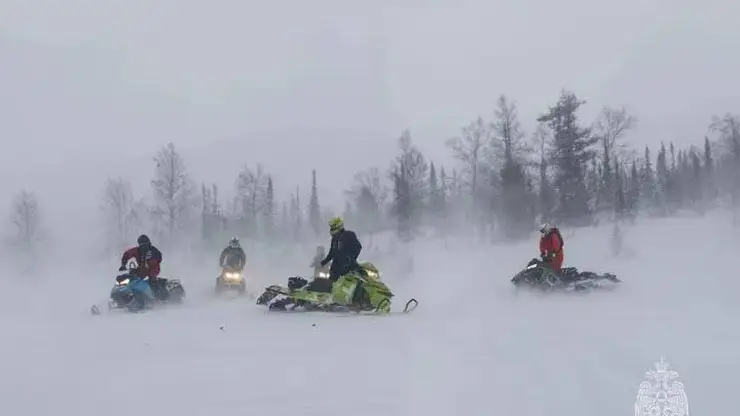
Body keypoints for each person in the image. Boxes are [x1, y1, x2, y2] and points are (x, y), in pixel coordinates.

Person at [119, 234, 166, 299]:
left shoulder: (153, 250)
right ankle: (128, 294)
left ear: (148, 243)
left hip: (153, 268)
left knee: (152, 279)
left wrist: (151, 262)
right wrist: (123, 264)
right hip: (142, 268)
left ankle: (157, 295)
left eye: (145, 244)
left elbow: (159, 258)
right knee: (132, 278)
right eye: (141, 244)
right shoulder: (137, 250)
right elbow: (127, 254)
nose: (143, 246)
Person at [319, 217, 362, 282]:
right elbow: (332, 252)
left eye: (333, 227)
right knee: (331, 284)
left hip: (348, 265)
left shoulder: (349, 235)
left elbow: (358, 247)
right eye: (331, 227)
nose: (331, 229)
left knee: (350, 283)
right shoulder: (334, 239)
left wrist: (351, 258)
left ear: (339, 226)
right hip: (336, 267)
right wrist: (324, 262)